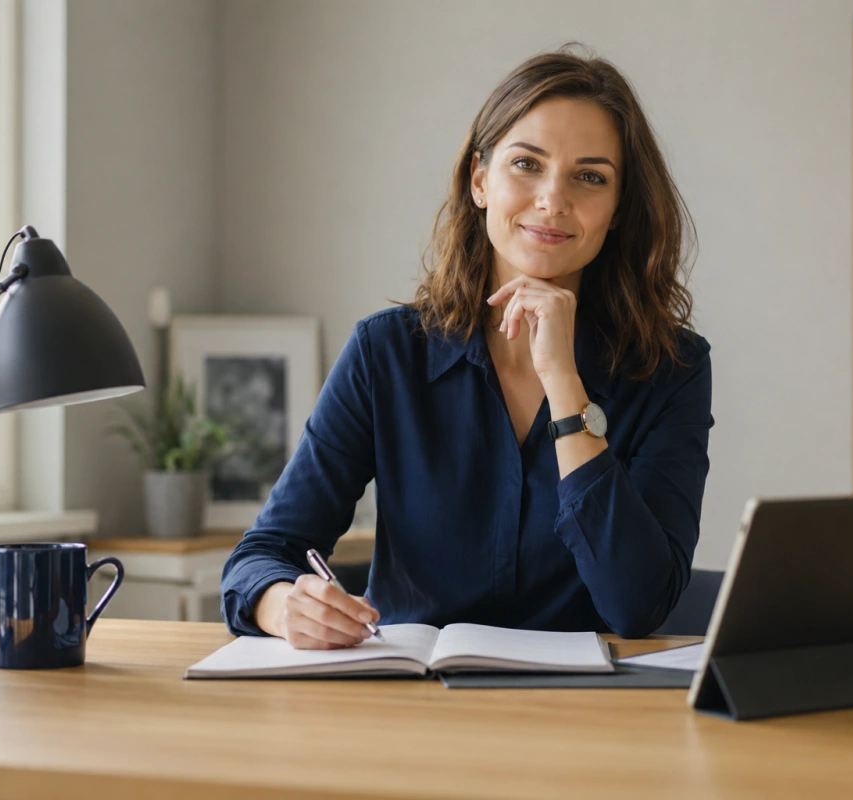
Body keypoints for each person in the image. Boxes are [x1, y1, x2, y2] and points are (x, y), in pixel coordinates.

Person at [220, 44, 713, 649]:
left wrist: (564, 384)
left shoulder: (672, 370)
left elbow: (637, 605)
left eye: (590, 177)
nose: (553, 199)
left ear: (616, 210)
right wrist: (282, 605)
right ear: (480, 180)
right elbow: (262, 555)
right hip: (411, 707)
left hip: (583, 720)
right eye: (526, 164)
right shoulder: (387, 354)